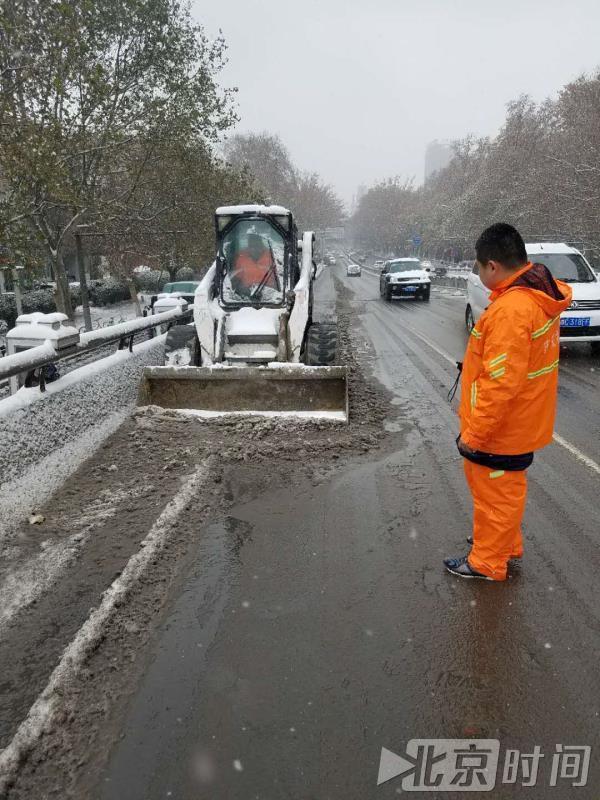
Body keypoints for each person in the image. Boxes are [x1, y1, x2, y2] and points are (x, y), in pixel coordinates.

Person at [444, 223, 572, 581]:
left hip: (502, 428)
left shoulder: (512, 310)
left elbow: (501, 385)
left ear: (493, 266)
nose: (478, 273)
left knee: (494, 494)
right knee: (505, 491)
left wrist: (476, 434)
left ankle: (487, 563)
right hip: (522, 421)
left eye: (478, 267)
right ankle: (502, 544)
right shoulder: (535, 297)